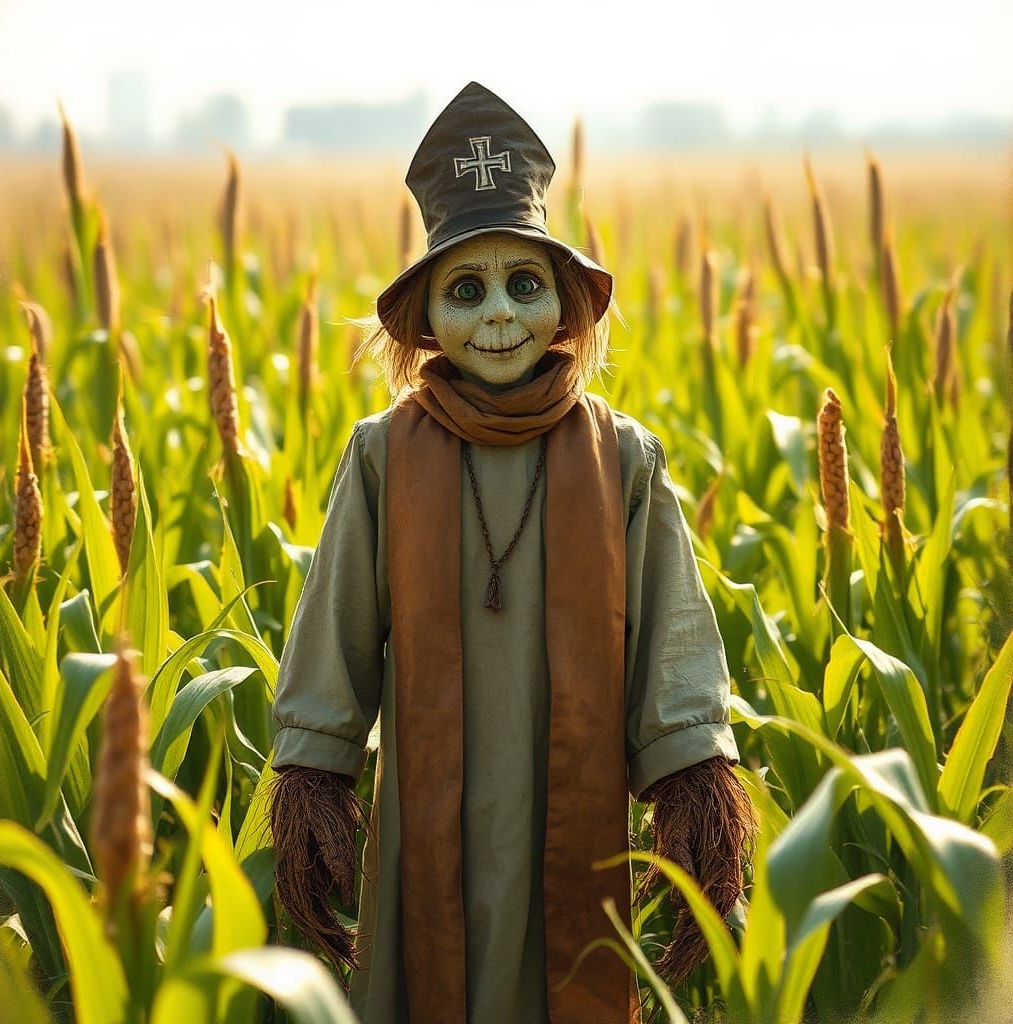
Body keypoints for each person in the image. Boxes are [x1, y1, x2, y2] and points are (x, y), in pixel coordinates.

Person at [269, 81, 756, 1024]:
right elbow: (336, 631)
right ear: (422, 321)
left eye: (524, 285)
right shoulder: (384, 455)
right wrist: (316, 775)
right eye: (467, 290)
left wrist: (695, 774)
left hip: (577, 828)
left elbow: (673, 637)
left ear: (566, 303)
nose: (499, 316)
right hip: (426, 829)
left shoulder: (621, 457)